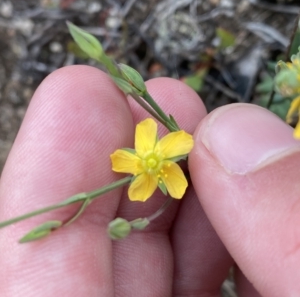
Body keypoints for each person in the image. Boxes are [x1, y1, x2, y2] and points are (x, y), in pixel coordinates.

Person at [0, 65, 299, 297]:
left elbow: (173, 142)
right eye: (147, 162)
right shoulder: (145, 171)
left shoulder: (166, 145)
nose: (150, 162)